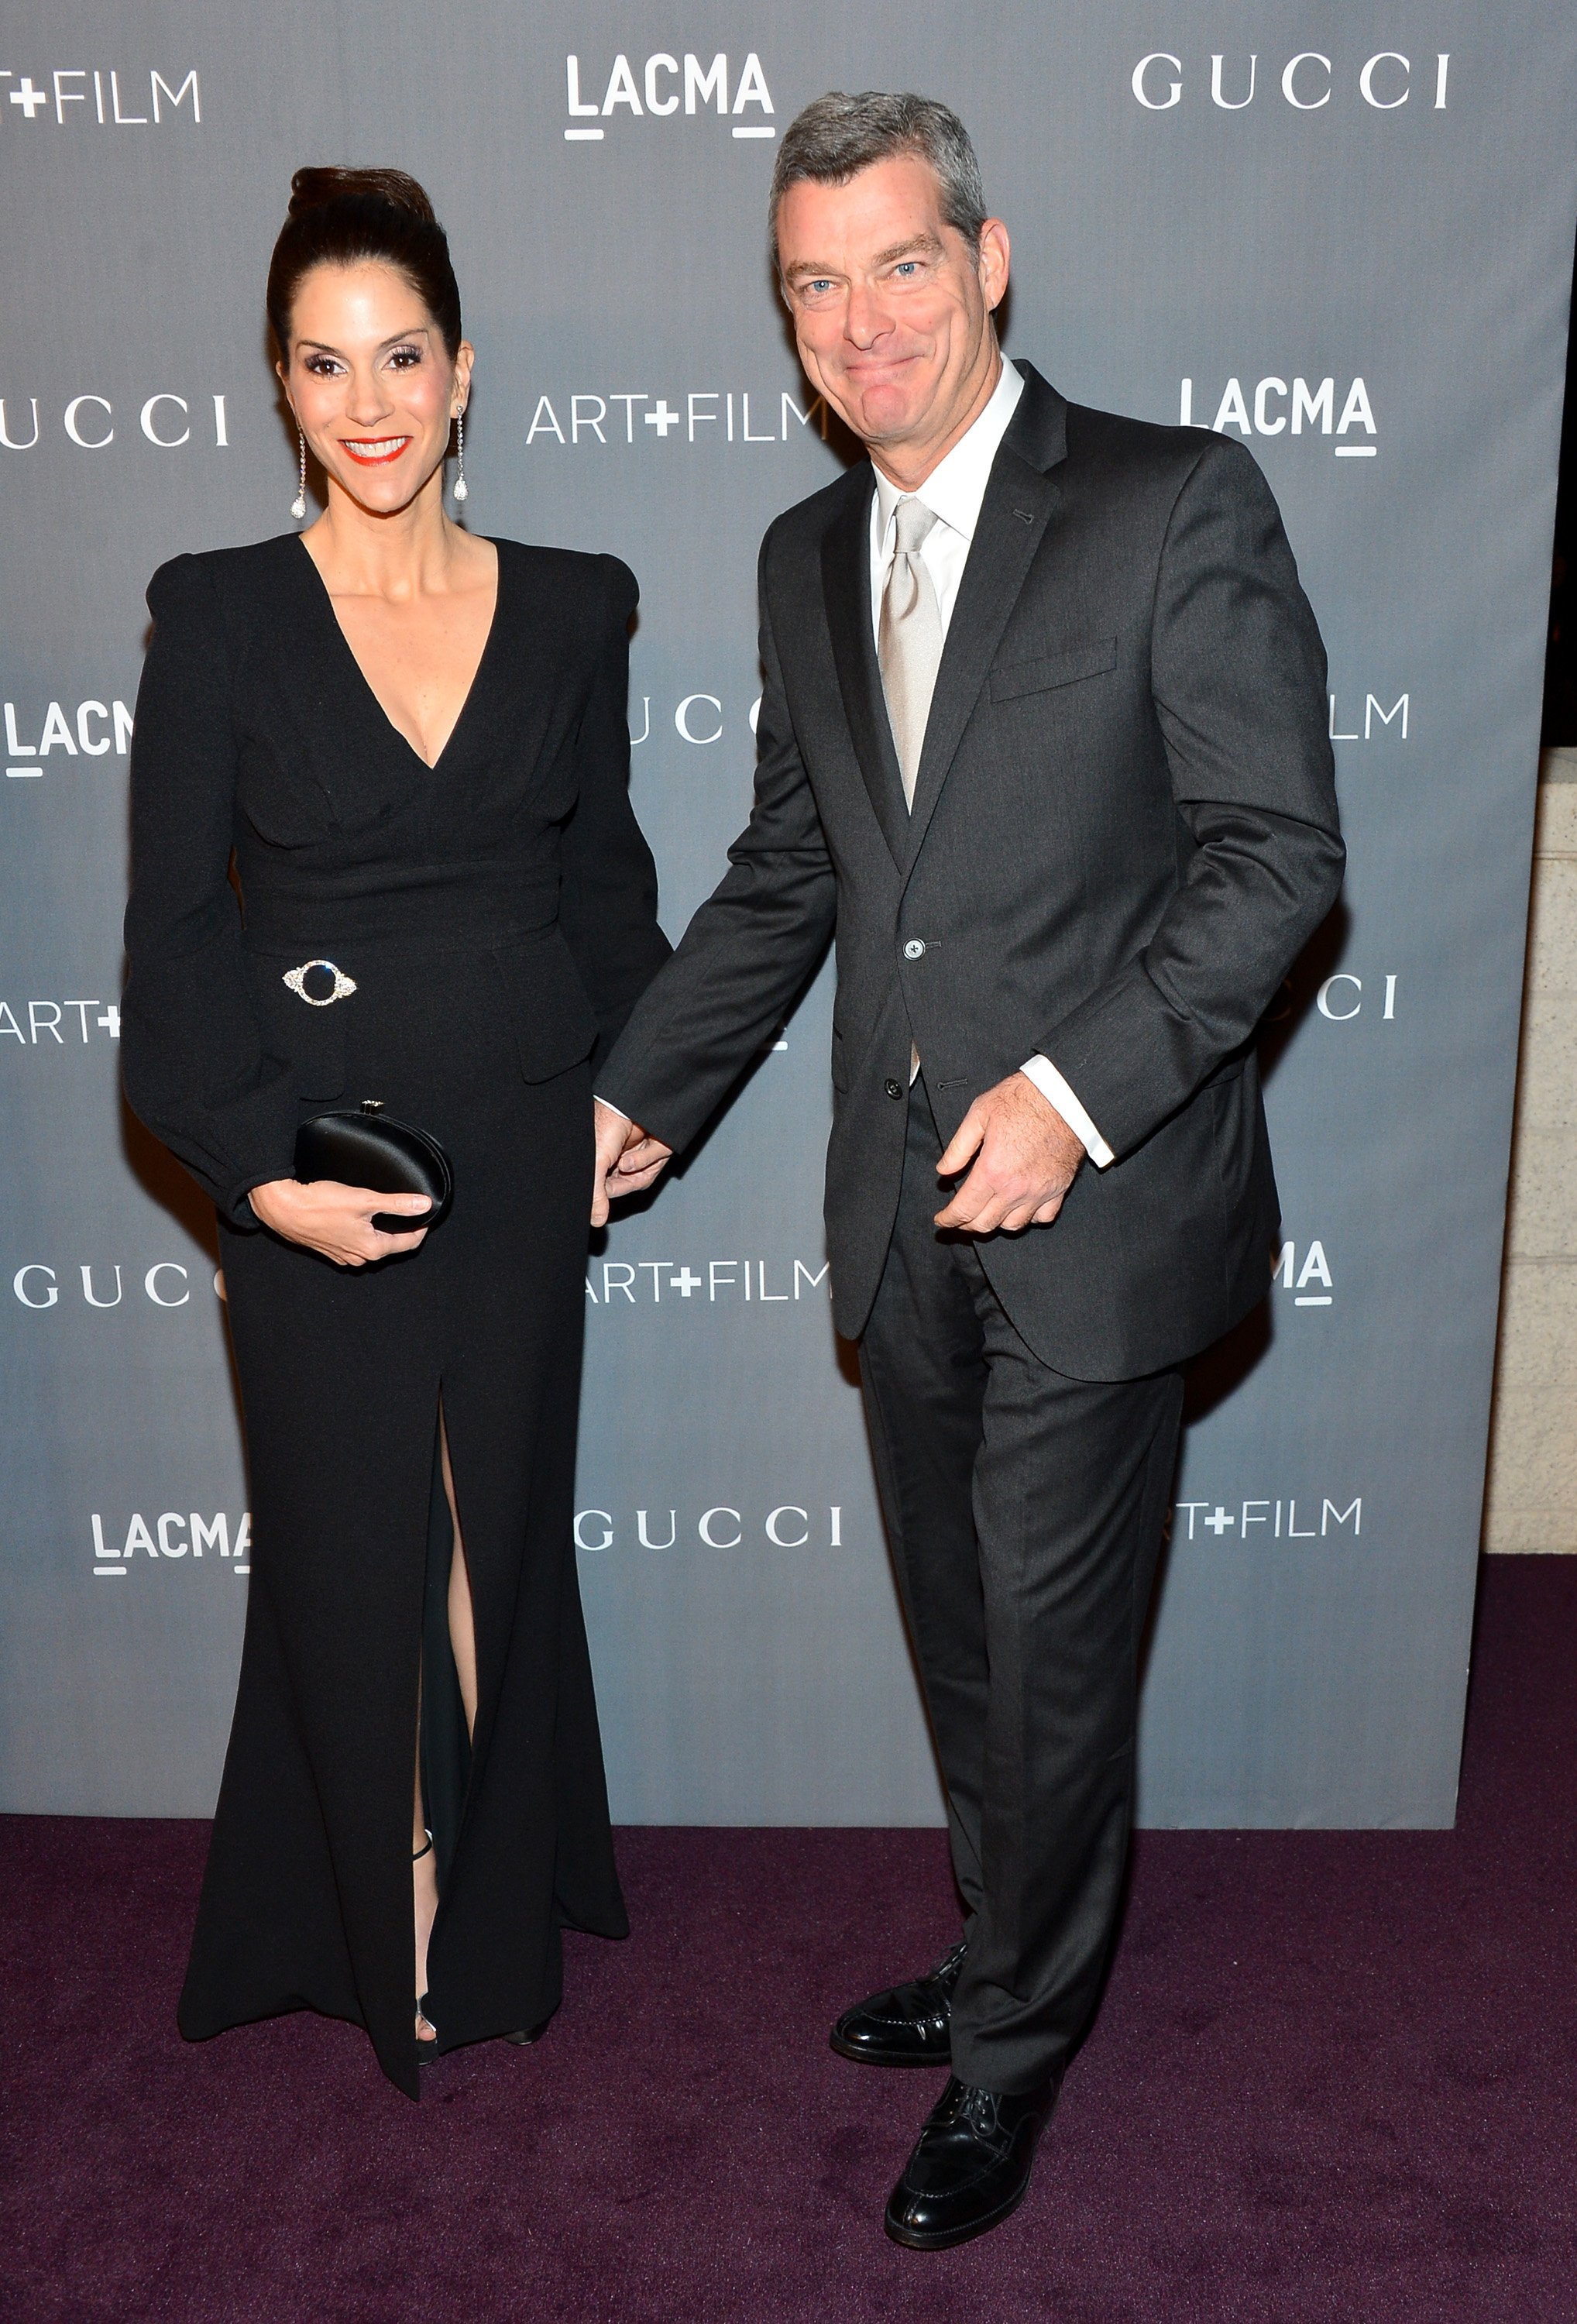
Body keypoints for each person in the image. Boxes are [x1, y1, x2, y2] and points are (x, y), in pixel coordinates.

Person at [593, 93, 1343, 2248]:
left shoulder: (1165, 499)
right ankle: (1007, 1939)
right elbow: (788, 876)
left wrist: (1077, 1090)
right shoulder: (798, 557)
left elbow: (1275, 851)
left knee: (1046, 1646)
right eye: (813, 285)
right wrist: (633, 1095)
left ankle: (1012, 2064)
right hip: (892, 1221)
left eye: (899, 264)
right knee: (962, 1650)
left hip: (1097, 1214)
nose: (861, 322)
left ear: (988, 261)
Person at [122, 167, 668, 2099]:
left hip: (526, 1155)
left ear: (462, 373)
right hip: (320, 1170)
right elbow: (179, 942)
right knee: (362, 1545)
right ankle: (385, 1909)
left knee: (493, 1532)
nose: (368, 401)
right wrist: (262, 1180)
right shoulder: (221, 618)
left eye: (402, 355)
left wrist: (640, 1104)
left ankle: (473, 1896)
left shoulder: (576, 607)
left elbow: (607, 893)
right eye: (321, 361)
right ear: (281, 385)